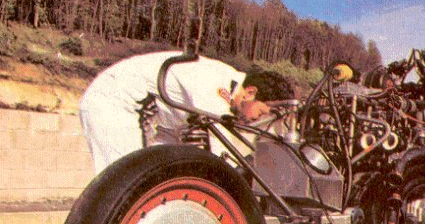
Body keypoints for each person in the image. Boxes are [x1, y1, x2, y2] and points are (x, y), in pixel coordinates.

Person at [78, 50, 294, 174]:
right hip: (116, 101)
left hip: (151, 114)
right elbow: (220, 148)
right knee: (124, 182)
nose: (259, 119)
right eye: (262, 111)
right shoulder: (217, 84)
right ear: (250, 93)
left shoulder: (227, 87)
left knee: (160, 177)